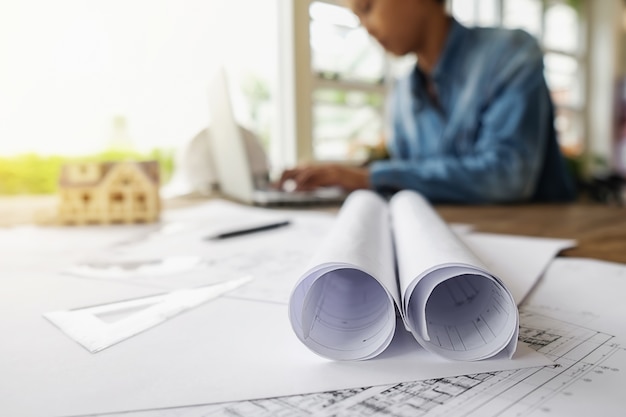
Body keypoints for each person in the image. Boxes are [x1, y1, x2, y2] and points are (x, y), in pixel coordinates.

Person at [278, 0, 576, 203]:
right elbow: (411, 177)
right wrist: (348, 175)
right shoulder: (402, 95)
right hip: (444, 243)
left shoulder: (510, 54)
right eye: (357, 18)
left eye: (368, 7)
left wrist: (373, 176)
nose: (366, 27)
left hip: (542, 239)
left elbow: (508, 177)